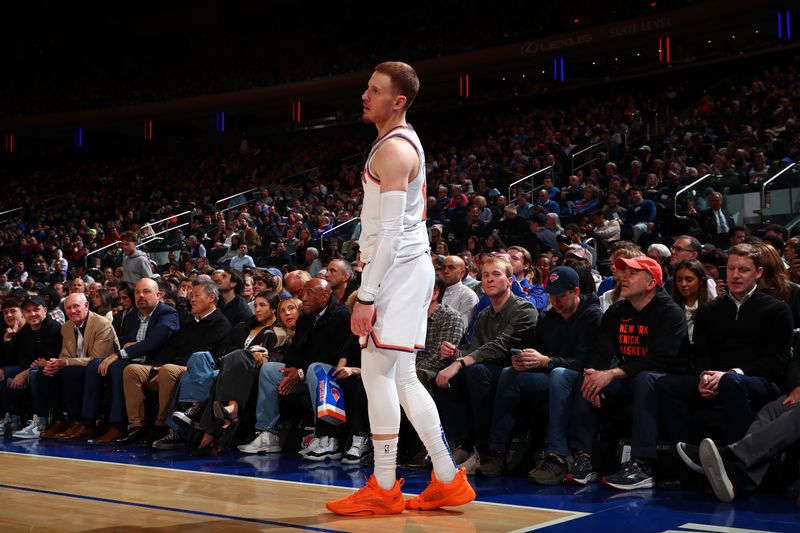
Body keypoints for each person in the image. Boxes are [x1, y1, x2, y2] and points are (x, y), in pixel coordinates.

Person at [327, 62, 474, 517]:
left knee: (377, 375)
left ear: (399, 101)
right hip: (408, 267)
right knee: (404, 376)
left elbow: (390, 233)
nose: (364, 96)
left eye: (374, 90)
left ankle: (385, 486)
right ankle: (448, 478)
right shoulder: (400, 143)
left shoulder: (393, 150)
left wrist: (366, 295)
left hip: (396, 269)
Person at [659, 244, 793, 453]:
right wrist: (705, 376)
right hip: (716, 378)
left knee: (731, 382)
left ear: (758, 273)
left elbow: (779, 358)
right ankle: (691, 453)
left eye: (743, 270)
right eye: (731, 269)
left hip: (760, 381)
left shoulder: (776, 309)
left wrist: (731, 374)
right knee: (667, 385)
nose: (735, 275)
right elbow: (701, 352)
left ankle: (734, 459)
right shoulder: (710, 309)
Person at [567, 256, 688, 490]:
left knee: (645, 379)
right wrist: (595, 374)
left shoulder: (670, 312)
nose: (624, 276)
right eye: (623, 272)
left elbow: (661, 359)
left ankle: (641, 464)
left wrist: (613, 374)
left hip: (671, 379)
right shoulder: (617, 311)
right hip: (632, 375)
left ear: (651, 282)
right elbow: (601, 350)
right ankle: (584, 457)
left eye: (633, 273)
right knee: (588, 378)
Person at [480, 266, 602, 481]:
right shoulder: (547, 317)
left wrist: (547, 362)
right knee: (509, 373)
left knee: (560, 374)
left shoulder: (593, 316)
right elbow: (538, 350)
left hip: (579, 377)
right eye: (551, 295)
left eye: (560, 295)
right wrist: (524, 360)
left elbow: (586, 362)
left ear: (575, 291)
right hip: (550, 373)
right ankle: (497, 451)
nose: (555, 301)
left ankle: (558, 456)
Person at [87, 278, 179, 444]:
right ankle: (88, 421)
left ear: (159, 295)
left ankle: (119, 425)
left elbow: (154, 342)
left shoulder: (167, 313)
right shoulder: (130, 316)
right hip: (133, 361)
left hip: (155, 365)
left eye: (146, 292)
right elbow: (125, 342)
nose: (141, 296)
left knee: (118, 366)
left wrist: (121, 353)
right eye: (137, 292)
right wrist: (130, 349)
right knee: (95, 365)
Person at [35, 293, 119, 441]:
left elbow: (97, 358)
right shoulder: (66, 327)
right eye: (68, 308)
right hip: (78, 366)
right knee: (45, 373)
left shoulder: (102, 324)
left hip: (101, 368)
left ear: (86, 306)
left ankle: (79, 422)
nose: (72, 311)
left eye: (76, 306)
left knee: (71, 372)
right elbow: (65, 355)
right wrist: (55, 364)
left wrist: (65, 363)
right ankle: (59, 420)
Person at [2, 296, 62, 438]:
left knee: (35, 372)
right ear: (24, 313)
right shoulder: (26, 331)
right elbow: (22, 359)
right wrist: (8, 341)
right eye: (28, 311)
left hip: (54, 371)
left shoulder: (54, 328)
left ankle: (40, 422)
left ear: (45, 310)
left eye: (36, 310)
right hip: (33, 369)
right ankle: (12, 419)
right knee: (5, 372)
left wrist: (24, 374)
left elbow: (47, 360)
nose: (32, 314)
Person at [669, 259, 712, 344]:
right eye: (679, 280)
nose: (683, 284)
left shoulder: (710, 307)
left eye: (689, 280)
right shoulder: (670, 308)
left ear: (701, 281)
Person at [441, 255, 478, 328]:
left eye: (451, 268)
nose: (445, 271)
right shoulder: (435, 292)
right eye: (444, 267)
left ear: (462, 273)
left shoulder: (468, 296)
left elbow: (462, 327)